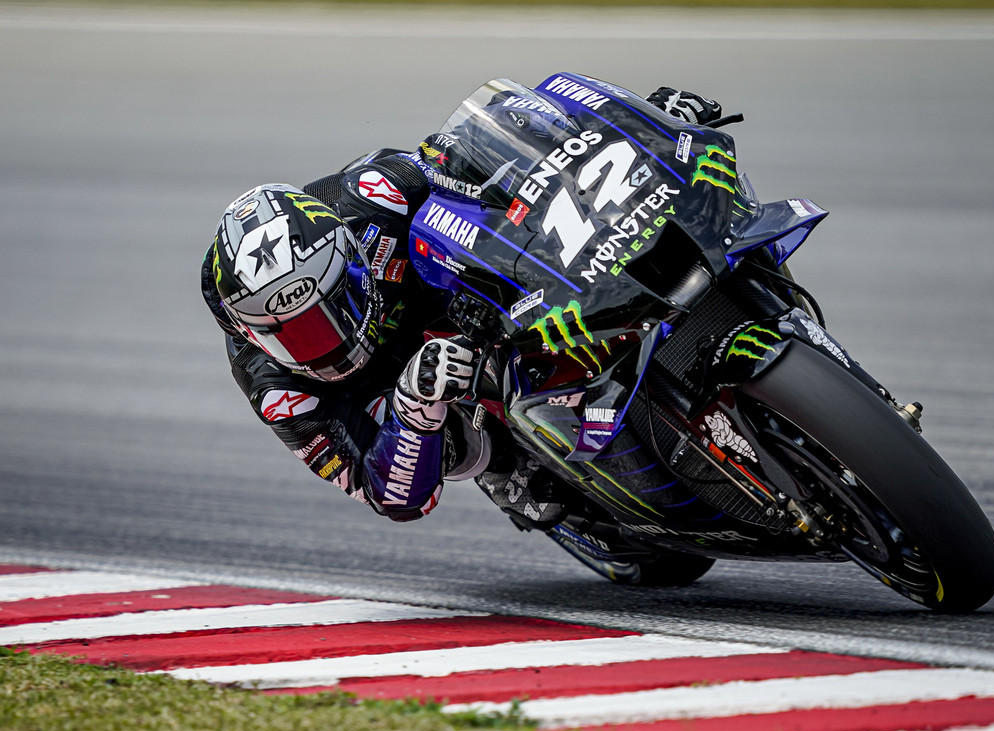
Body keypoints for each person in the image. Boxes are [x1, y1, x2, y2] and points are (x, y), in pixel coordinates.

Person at [200, 83, 722, 526]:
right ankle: (505, 466)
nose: (322, 342)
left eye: (324, 313)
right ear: (251, 332)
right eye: (291, 333)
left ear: (349, 262)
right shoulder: (280, 392)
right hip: (416, 390)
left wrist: (641, 129)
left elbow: (485, 156)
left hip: (471, 300)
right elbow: (392, 499)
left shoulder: (372, 193)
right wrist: (413, 405)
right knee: (474, 457)